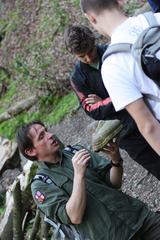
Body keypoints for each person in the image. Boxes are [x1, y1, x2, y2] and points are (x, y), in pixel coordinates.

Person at [16, 120, 160, 240]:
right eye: (42, 136)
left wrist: (115, 159)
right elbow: (74, 216)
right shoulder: (41, 185)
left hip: (137, 216)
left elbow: (114, 183)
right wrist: (79, 175)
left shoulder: (75, 151)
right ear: (31, 151)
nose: (50, 135)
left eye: (46, 130)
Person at [64, 24, 160, 180]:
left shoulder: (115, 52)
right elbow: (92, 110)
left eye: (90, 51)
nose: (88, 58)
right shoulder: (77, 78)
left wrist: (105, 101)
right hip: (127, 133)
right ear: (73, 54)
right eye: (82, 56)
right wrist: (127, 92)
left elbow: (139, 79)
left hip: (151, 114)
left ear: (94, 41)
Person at [80, 0, 160, 156]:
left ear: (90, 18)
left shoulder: (112, 65)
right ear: (119, 2)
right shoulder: (157, 19)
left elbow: (148, 126)